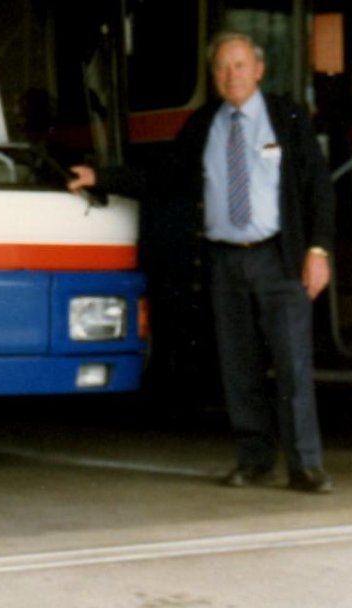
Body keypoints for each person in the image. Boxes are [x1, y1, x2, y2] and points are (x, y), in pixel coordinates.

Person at [69, 31, 335, 493]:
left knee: (292, 364)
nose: (231, 75)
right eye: (222, 68)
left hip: (280, 259)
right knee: (238, 366)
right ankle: (254, 460)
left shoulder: (287, 118)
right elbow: (163, 178)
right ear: (214, 77)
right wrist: (102, 177)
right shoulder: (204, 123)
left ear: (258, 69)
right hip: (224, 261)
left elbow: (319, 187)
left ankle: (305, 465)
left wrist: (319, 249)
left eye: (239, 65)